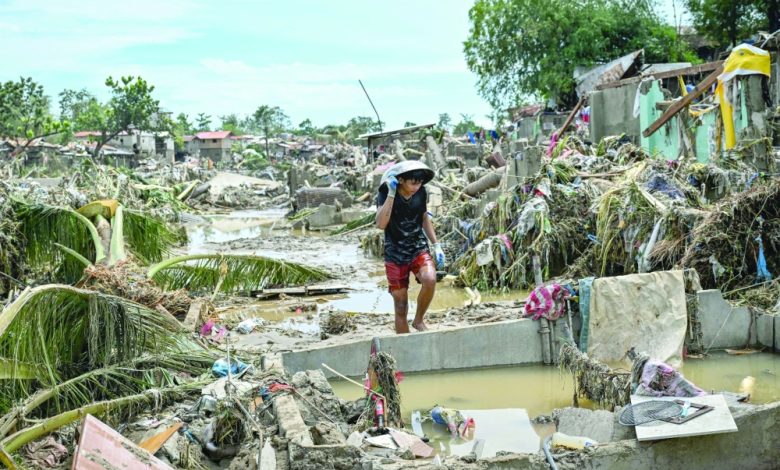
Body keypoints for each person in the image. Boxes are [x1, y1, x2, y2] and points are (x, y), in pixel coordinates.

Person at [376, 162, 445, 333]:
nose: (417, 187)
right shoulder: (385, 192)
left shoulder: (421, 192)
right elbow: (381, 224)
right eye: (413, 183)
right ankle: (405, 342)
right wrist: (392, 194)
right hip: (395, 251)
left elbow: (423, 218)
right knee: (400, 305)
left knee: (430, 279)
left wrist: (436, 244)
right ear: (400, 180)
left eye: (420, 182)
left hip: (417, 246)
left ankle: (419, 320)